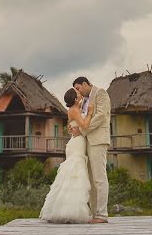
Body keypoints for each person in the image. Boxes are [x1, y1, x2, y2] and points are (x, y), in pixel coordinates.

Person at [39, 88, 94, 223]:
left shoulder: (76, 108)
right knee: (75, 175)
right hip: (77, 143)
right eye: (77, 94)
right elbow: (85, 125)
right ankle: (70, 212)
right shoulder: (74, 110)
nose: (80, 94)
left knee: (73, 176)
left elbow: (76, 119)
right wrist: (90, 113)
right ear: (75, 99)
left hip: (76, 142)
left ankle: (68, 209)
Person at [73, 76, 111, 224]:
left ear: (85, 84)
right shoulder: (83, 101)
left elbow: (101, 116)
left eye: (78, 88)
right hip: (86, 141)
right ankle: (95, 213)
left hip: (98, 140)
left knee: (99, 178)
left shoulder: (100, 93)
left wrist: (82, 130)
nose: (78, 92)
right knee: (90, 179)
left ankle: (102, 214)